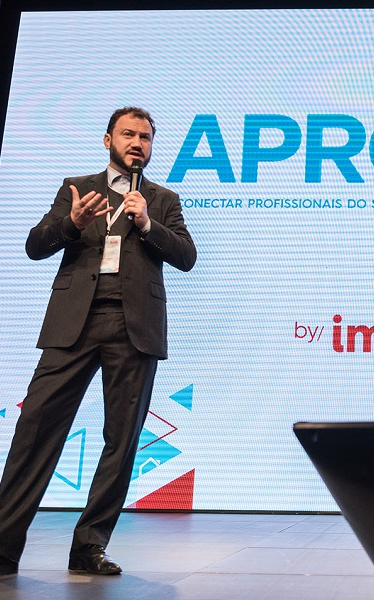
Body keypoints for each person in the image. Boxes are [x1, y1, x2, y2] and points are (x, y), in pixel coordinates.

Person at [0, 107, 196, 577]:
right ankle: (3, 546)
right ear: (108, 139)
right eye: (128, 134)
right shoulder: (77, 188)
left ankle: (89, 546)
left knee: (121, 440)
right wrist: (71, 222)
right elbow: (35, 245)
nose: (137, 143)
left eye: (145, 137)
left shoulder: (162, 199)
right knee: (35, 429)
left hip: (134, 327)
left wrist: (147, 224)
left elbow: (187, 256)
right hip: (74, 322)